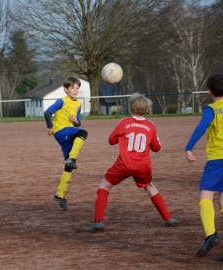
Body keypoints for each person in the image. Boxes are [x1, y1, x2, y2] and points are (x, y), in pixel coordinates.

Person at [86, 93, 178, 232]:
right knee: (150, 187)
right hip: (143, 165)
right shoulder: (151, 125)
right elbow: (157, 148)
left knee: (104, 186)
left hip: (124, 164)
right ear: (147, 110)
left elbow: (111, 141)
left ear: (130, 109)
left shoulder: (124, 122)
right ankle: (168, 217)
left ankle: (98, 221)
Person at [185, 74, 223, 258]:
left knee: (205, 198)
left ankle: (211, 235)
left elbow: (202, 127)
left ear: (209, 91)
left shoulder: (212, 109)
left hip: (217, 159)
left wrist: (189, 147)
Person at [44, 76, 88, 210]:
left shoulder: (78, 104)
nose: (75, 90)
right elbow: (47, 113)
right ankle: (72, 159)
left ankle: (59, 194)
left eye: (77, 88)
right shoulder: (61, 101)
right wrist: (50, 127)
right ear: (65, 89)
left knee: (68, 167)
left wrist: (76, 121)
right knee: (83, 133)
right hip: (61, 131)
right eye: (72, 88)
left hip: (69, 133)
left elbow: (79, 122)